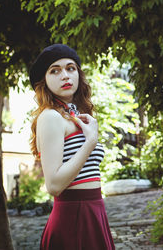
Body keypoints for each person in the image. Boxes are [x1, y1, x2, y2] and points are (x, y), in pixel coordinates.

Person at [28, 43, 115, 249]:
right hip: (73, 216)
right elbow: (54, 186)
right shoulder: (50, 116)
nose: (65, 75)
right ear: (45, 81)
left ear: (78, 74)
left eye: (70, 68)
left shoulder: (76, 116)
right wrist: (90, 141)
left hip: (94, 210)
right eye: (55, 71)